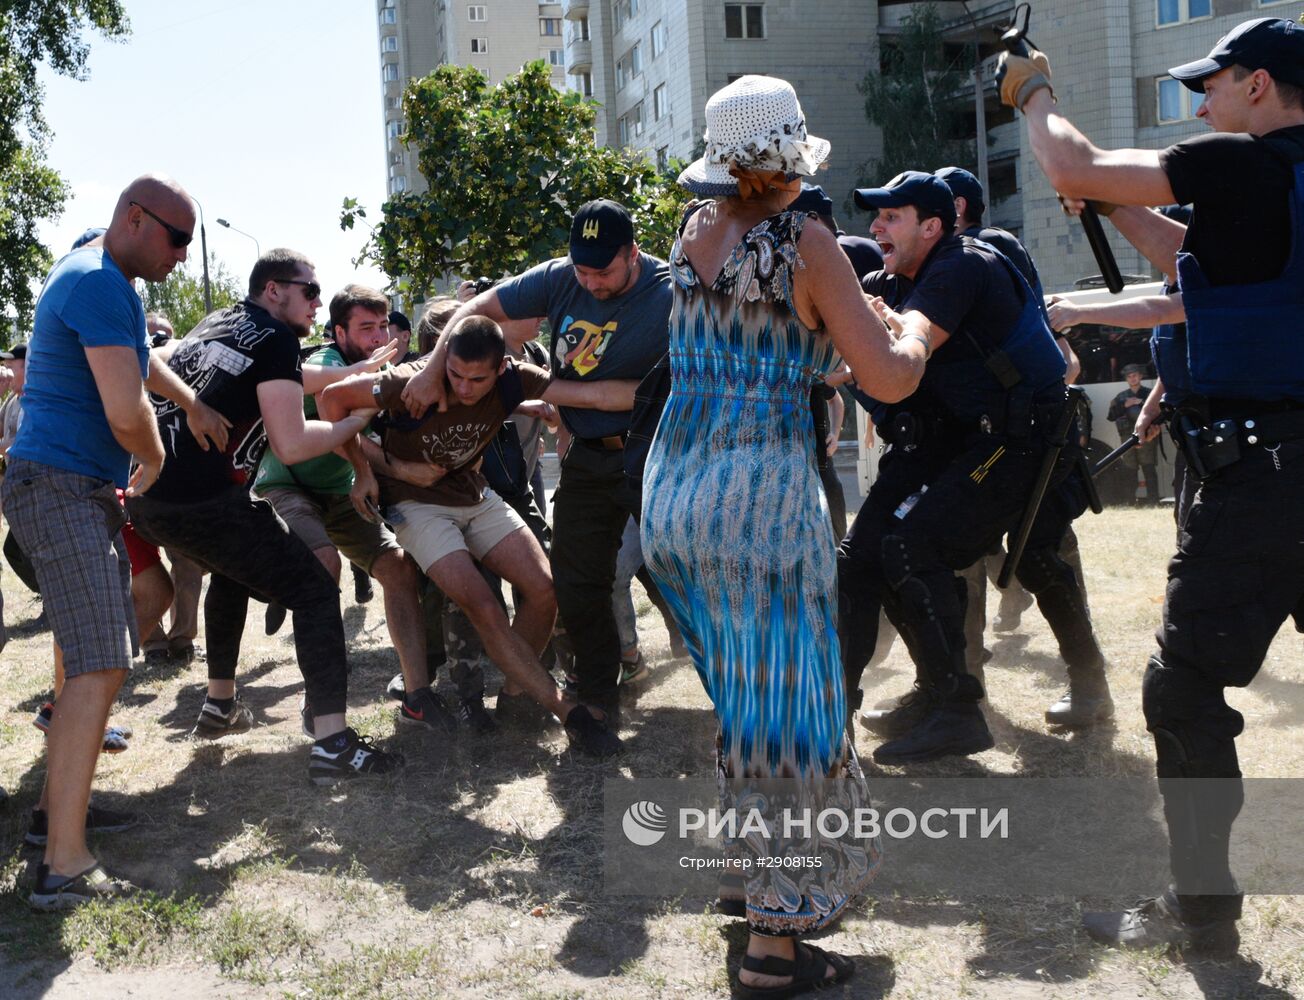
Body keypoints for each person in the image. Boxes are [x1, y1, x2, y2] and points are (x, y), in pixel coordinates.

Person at [999, 14, 1304, 955]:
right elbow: (1205, 269)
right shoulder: (1279, 186)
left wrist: (1034, 96)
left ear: (1259, 85)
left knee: (1180, 691)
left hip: (1263, 482)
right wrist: (1114, 209)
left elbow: (1071, 166)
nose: (1199, 101)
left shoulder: (1243, 163)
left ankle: (1201, 914)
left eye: (1210, 84)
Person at [642, 76, 926, 997]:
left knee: (747, 705)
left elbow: (758, 347)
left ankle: (746, 877)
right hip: (758, 505)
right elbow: (889, 378)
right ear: (793, 155)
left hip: (676, 500)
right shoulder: (804, 240)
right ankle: (775, 946)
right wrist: (911, 332)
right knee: (791, 727)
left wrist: (833, 353)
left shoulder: (692, 234)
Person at [839, 169, 1107, 764]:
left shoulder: (964, 264)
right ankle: (853, 713)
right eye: (875, 215)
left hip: (1023, 442)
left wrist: (882, 335)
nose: (876, 225)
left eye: (892, 215)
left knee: (1025, 557)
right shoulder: (892, 277)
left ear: (933, 226)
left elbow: (915, 338)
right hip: (959, 442)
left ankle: (974, 705)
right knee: (864, 558)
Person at [125, 247, 404, 785]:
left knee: (233, 574)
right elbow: (294, 443)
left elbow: (280, 381)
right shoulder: (277, 337)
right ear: (273, 289)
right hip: (202, 503)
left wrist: (355, 371)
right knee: (317, 592)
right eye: (310, 291)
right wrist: (358, 420)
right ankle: (333, 744)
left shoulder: (224, 321)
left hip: (150, 498)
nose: (318, 303)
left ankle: (220, 704)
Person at [400, 199, 671, 725]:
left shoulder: (669, 294)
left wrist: (556, 389)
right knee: (577, 582)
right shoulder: (558, 277)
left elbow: (654, 391)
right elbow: (475, 309)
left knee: (680, 575)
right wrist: (435, 368)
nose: (589, 283)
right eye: (582, 270)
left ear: (633, 253)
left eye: (603, 271)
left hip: (654, 454)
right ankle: (595, 702)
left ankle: (730, 701)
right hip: (590, 459)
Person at [321, 316, 637, 757]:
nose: (465, 388)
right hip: (416, 504)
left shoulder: (517, 379)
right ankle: (570, 713)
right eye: (455, 375)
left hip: (473, 494)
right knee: (483, 606)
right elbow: (331, 399)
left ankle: (513, 698)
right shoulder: (407, 382)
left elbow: (592, 395)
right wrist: (368, 470)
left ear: (502, 368)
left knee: (545, 590)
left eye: (477, 379)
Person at [2, 175, 186, 908]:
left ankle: (54, 821)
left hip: (68, 486)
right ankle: (63, 867)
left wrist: (189, 403)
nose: (181, 255)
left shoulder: (91, 273)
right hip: (61, 485)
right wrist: (156, 454)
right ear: (136, 219)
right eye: (176, 238)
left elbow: (140, 369)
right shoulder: (101, 281)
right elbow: (125, 406)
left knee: (94, 661)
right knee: (99, 666)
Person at [252, 283, 430, 731]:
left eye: (381, 326)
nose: (376, 338)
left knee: (399, 568)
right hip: (288, 488)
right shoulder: (325, 365)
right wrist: (379, 472)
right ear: (339, 332)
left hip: (342, 496)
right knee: (323, 566)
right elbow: (335, 430)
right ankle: (320, 703)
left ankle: (418, 695)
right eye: (365, 328)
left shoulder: (388, 368)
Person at [1107, 363, 1161, 503]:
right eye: (1129, 376)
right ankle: (1130, 499)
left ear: (1140, 376)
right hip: (1127, 436)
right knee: (1130, 469)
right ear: (1126, 379)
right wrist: (1124, 405)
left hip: (1147, 435)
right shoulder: (1121, 397)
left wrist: (1142, 402)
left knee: (1148, 467)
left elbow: (1160, 412)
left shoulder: (1149, 394)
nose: (1132, 378)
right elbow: (1111, 416)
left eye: (1135, 375)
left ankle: (1153, 500)